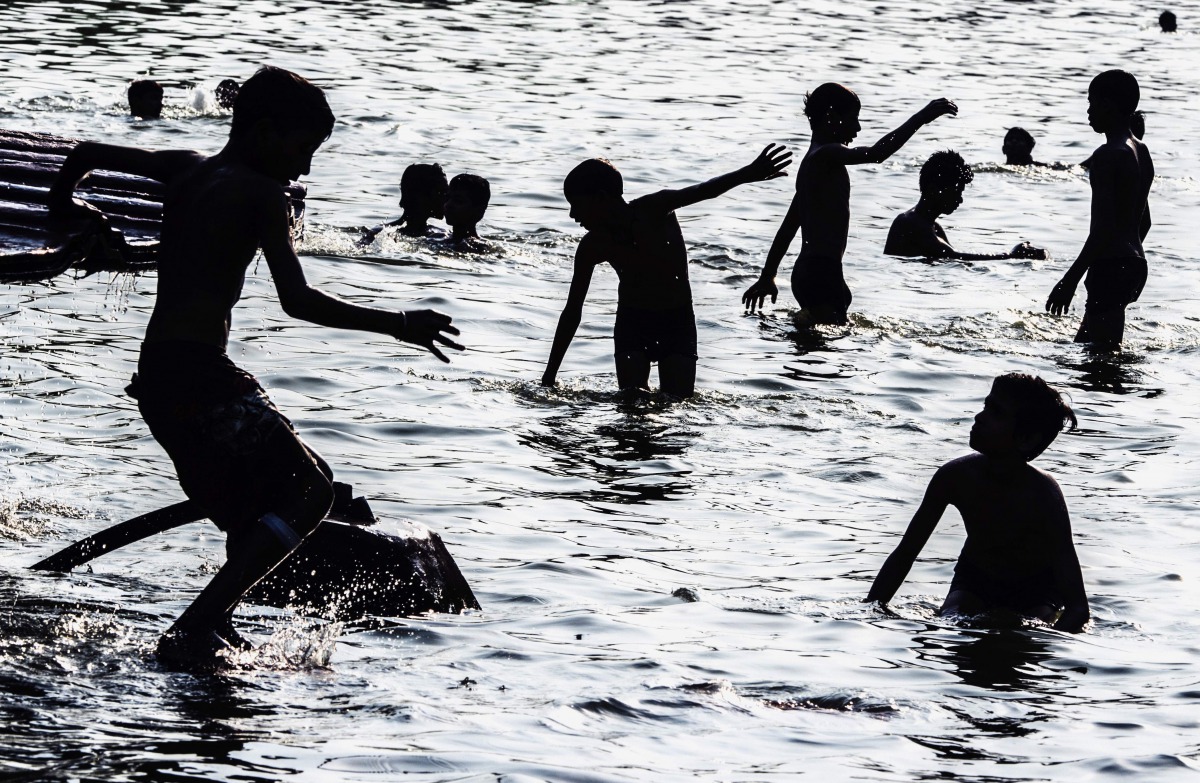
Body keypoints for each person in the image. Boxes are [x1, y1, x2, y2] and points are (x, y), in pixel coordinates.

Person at [47, 66, 464, 669]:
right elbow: (298, 301)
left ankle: (218, 620)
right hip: (199, 375)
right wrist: (398, 323)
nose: (306, 170)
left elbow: (84, 153)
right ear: (265, 132)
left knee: (260, 500)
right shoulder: (261, 194)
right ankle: (200, 622)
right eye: (302, 151)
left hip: (160, 377)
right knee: (311, 492)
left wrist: (66, 206)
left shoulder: (188, 165)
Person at [541, 146, 791, 398]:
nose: (572, 215)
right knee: (630, 403)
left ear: (601, 198)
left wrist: (749, 172)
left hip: (677, 321)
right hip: (632, 323)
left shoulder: (654, 209)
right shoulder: (593, 246)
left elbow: (704, 191)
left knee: (678, 404)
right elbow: (572, 311)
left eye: (576, 205)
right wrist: (549, 376)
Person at [865, 373, 1089, 633]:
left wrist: (1052, 640)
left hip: (1037, 590)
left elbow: (1078, 608)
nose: (979, 417)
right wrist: (871, 610)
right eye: (985, 406)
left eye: (996, 413)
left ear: (1027, 439)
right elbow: (906, 553)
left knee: (1031, 631)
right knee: (950, 620)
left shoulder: (1043, 495)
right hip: (974, 581)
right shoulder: (954, 477)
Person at [742, 83, 956, 325]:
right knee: (823, 349)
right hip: (820, 272)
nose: (858, 127)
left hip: (817, 271)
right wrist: (921, 118)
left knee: (822, 345)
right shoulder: (825, 155)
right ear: (831, 117)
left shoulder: (813, 166)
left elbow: (789, 227)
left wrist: (768, 275)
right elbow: (877, 153)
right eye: (853, 119)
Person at [1046, 70, 1153, 348]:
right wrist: (1127, 256)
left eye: (1092, 102)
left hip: (1111, 267)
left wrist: (1069, 280)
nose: (1089, 110)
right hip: (1134, 264)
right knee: (1083, 348)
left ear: (1109, 104)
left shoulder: (1107, 156)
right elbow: (1145, 221)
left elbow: (1103, 229)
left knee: (1104, 365)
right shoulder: (1141, 151)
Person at [885, 150, 1045, 261]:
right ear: (935, 189)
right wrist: (1011, 256)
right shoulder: (911, 223)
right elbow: (954, 256)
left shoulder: (934, 227)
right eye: (956, 192)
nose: (960, 200)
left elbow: (952, 259)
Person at [361, 162, 449, 244]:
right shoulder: (381, 234)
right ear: (420, 196)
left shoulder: (443, 235)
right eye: (442, 192)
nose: (447, 199)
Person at [443, 173, 490, 246]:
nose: (448, 205)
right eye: (447, 198)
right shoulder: (437, 237)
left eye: (458, 201)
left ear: (479, 210)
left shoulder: (478, 248)